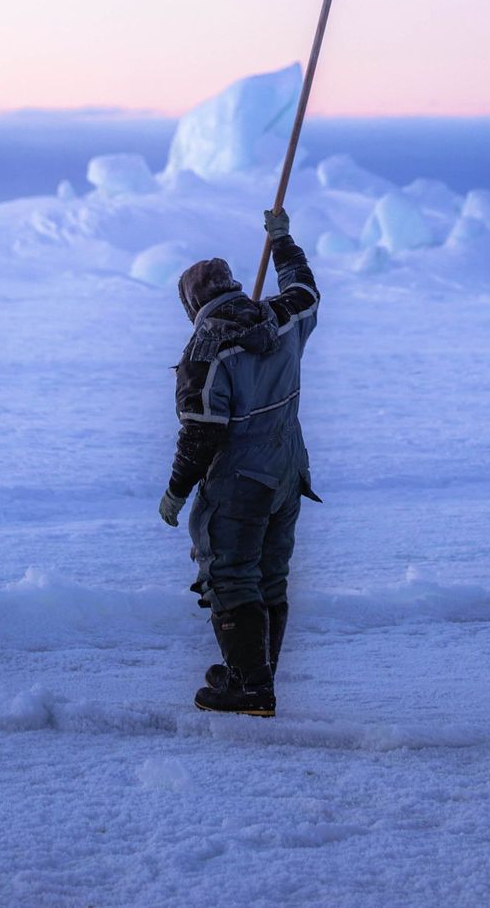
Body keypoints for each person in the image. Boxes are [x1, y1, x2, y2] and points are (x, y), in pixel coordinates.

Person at [158, 208, 321, 716]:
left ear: (192, 305)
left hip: (241, 480)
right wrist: (283, 244)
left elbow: (201, 433)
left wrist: (177, 491)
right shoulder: (282, 317)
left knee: (229, 574)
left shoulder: (204, 353)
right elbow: (306, 291)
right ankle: (253, 671)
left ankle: (250, 688)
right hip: (288, 470)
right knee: (270, 574)